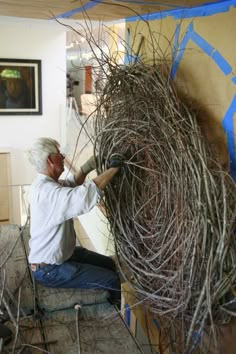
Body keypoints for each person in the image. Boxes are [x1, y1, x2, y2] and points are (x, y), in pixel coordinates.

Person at [27, 137, 121, 307]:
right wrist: (114, 169)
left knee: (109, 264)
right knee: (111, 280)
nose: (63, 157)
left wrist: (86, 167)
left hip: (62, 255)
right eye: (59, 154)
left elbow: (69, 185)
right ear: (50, 160)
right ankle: (120, 314)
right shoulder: (47, 193)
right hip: (50, 270)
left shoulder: (45, 184)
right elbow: (81, 198)